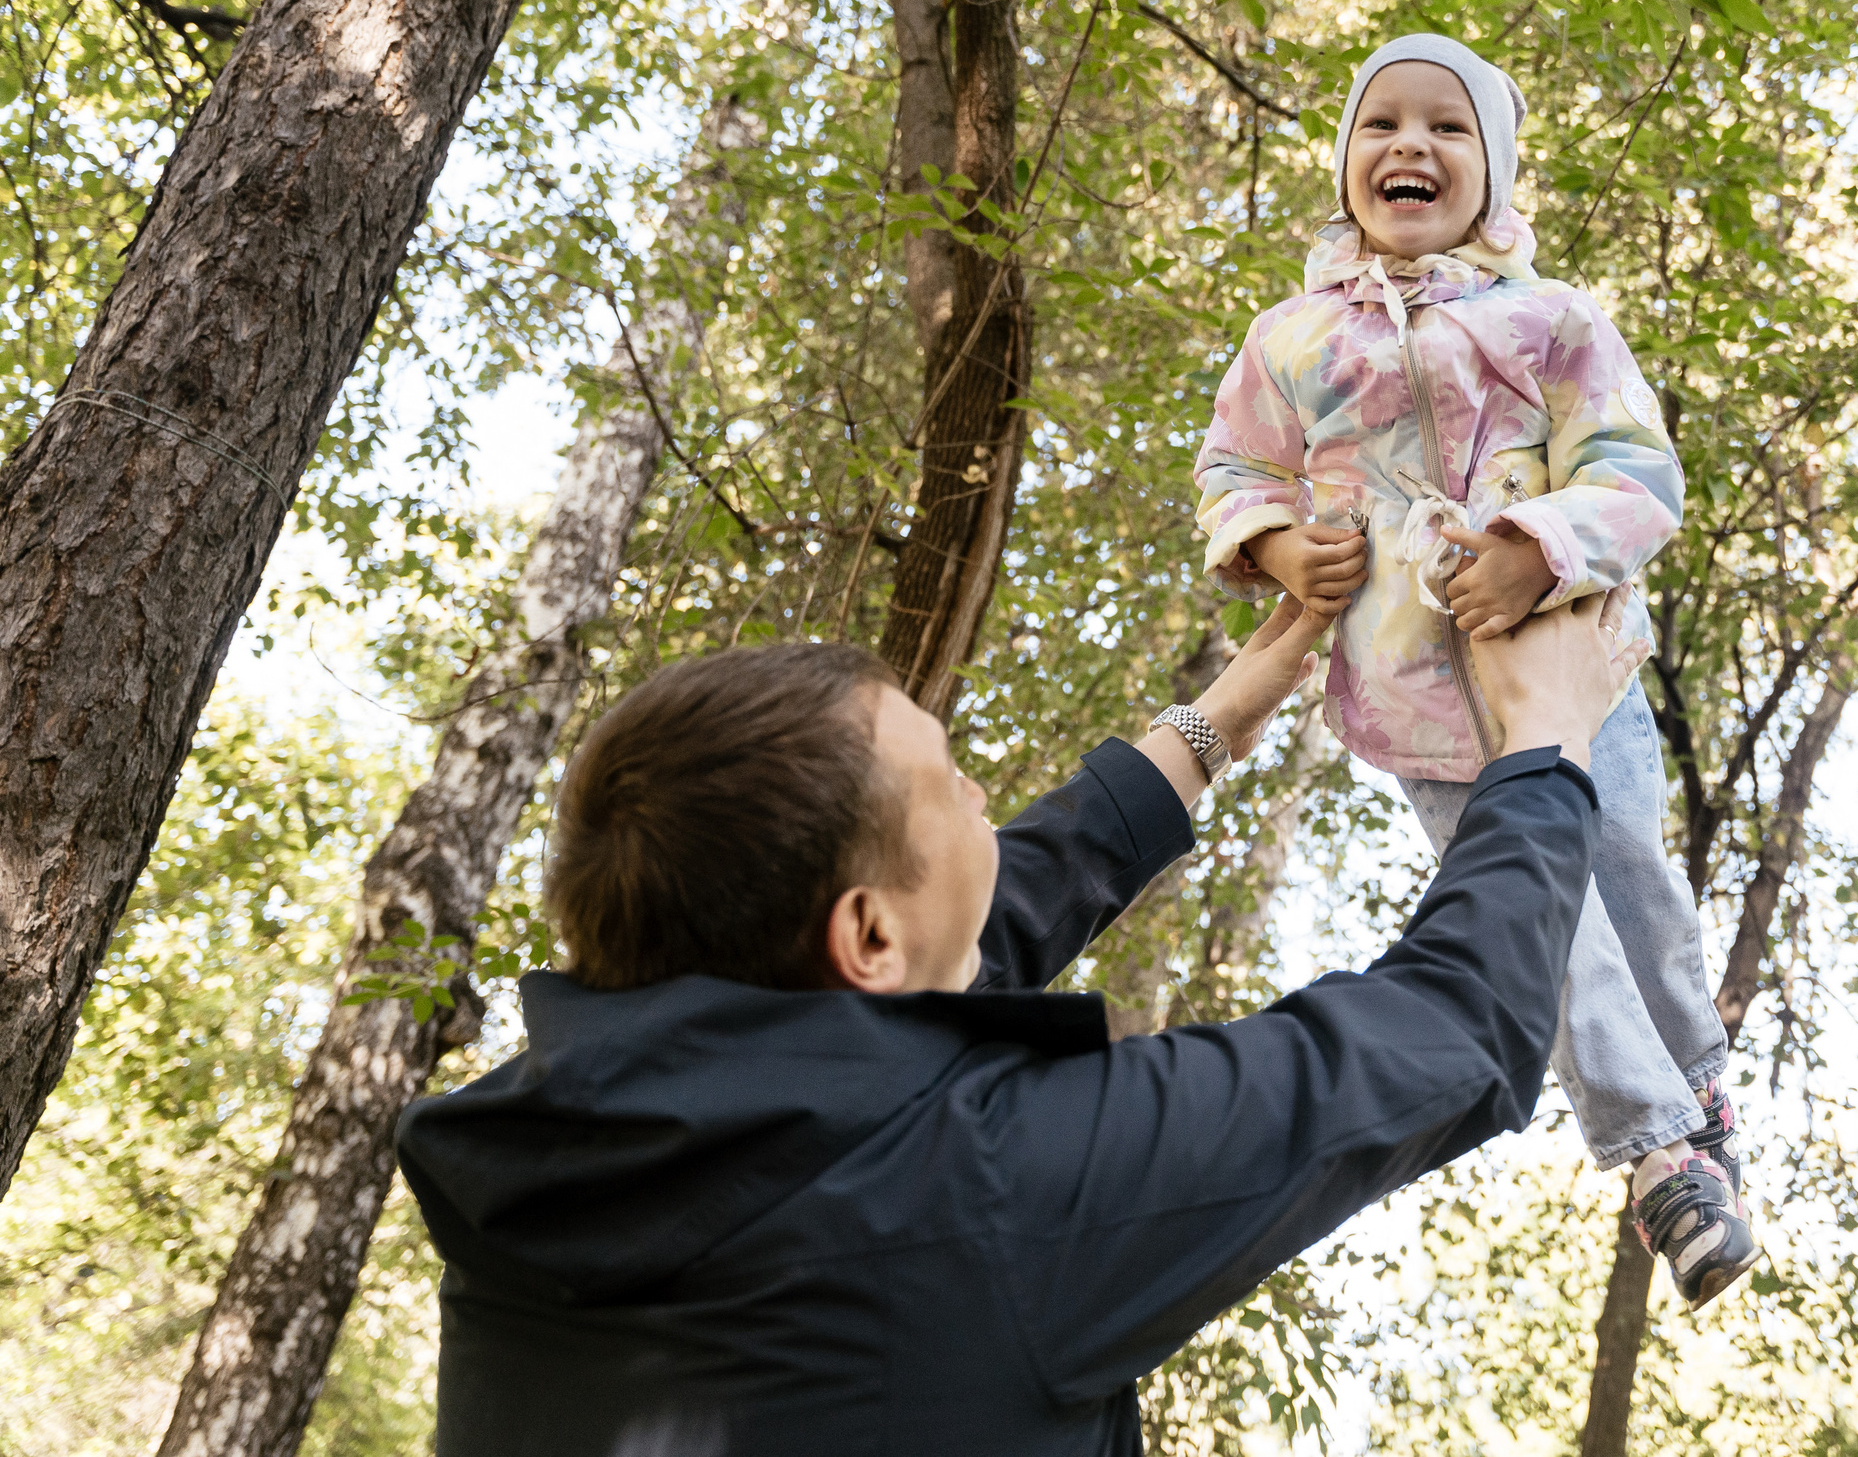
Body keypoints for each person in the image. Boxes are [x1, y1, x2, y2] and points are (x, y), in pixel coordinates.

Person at [397, 589, 1641, 1455]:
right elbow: (1450, 1030)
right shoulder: (988, 1196)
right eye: (952, 784)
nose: (984, 797)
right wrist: (1544, 742)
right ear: (866, 933)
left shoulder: (561, 1158)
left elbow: (923, 972)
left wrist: (1215, 723)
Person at [1191, 33, 1754, 1310]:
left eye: (1448, 129)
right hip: (1418, 706)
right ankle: (1655, 1158)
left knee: (1634, 888)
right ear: (1345, 165)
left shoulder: (1552, 319)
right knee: (1539, 919)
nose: (1410, 146)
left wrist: (1535, 550)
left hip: (1569, 670)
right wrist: (1278, 543)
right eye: (1380, 123)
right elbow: (1232, 471)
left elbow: (1636, 476)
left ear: (1493, 172)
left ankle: (1700, 1088)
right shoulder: (1289, 340)